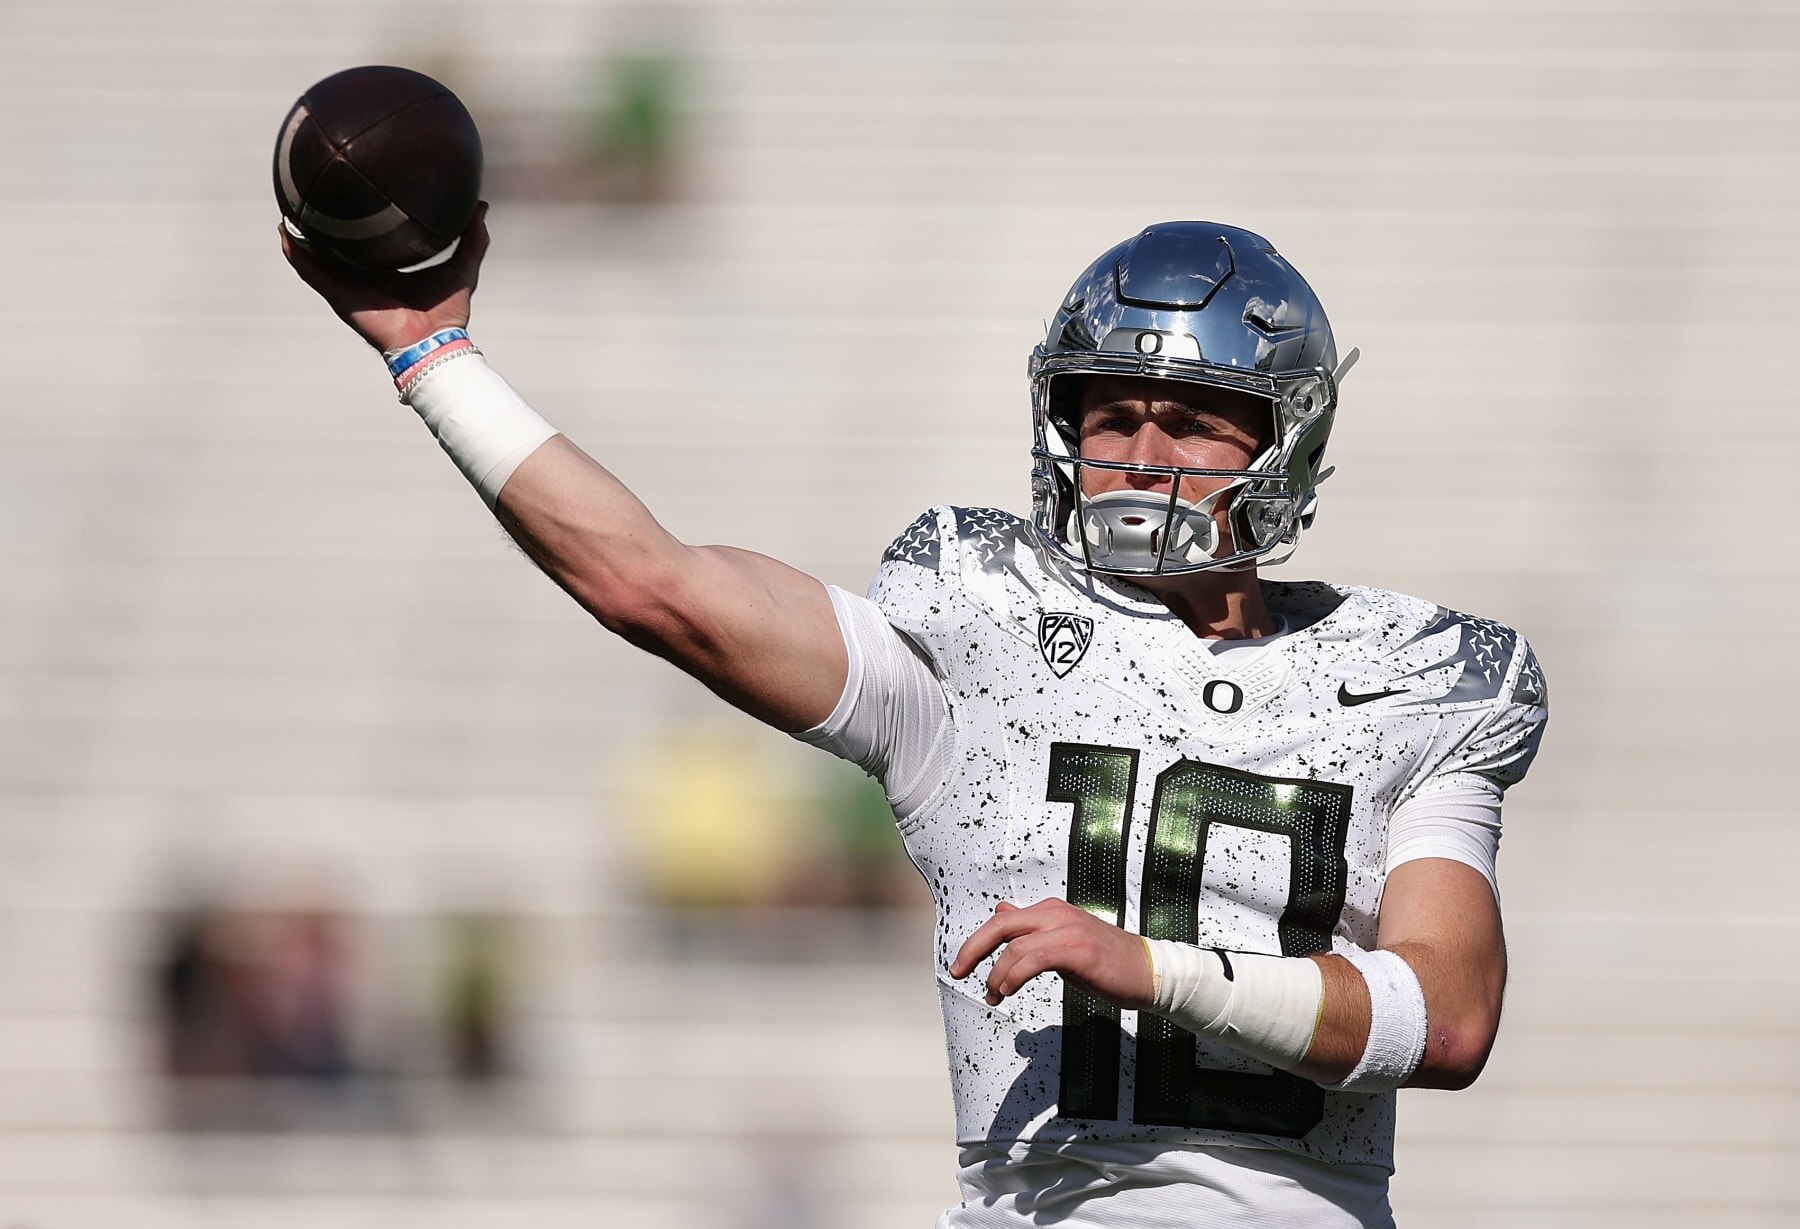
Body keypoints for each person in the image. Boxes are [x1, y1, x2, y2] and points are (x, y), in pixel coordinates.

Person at [283, 214, 1547, 1227]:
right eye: (1110, 412)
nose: (1140, 451)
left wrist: (1147, 966)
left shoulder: (1416, 678)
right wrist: (433, 359)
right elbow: (654, 584)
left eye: (1191, 419)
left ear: (1286, 438)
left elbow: (1448, 1016)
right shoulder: (979, 630)